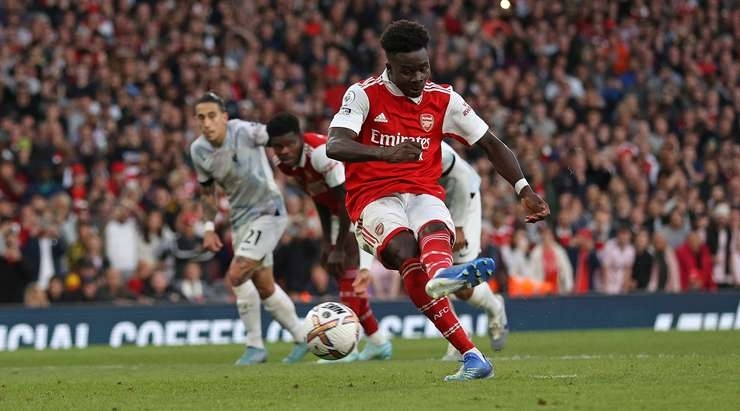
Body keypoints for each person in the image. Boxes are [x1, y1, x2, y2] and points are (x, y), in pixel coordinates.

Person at [325, 20, 550, 381]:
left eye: (423, 68)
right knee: (404, 252)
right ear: (389, 65)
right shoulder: (363, 94)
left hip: (424, 191)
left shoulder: (444, 99)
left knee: (434, 229)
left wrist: (523, 188)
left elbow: (490, 143)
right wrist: (387, 154)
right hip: (373, 197)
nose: (417, 77)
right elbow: (335, 144)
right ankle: (456, 316)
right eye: (407, 70)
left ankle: (469, 345)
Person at [190, 92, 308, 365]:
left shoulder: (245, 131)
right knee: (264, 285)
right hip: (240, 219)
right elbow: (207, 192)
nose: (206, 123)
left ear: (224, 117)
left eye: (212, 116)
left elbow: (279, 138)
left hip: (269, 210)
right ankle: (302, 336)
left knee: (237, 273)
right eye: (201, 118)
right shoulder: (198, 150)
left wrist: (305, 159)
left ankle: (254, 345)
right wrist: (208, 227)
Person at [266, 112, 392, 363]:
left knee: (347, 262)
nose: (284, 150)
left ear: (300, 137)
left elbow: (344, 198)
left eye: (290, 143)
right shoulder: (283, 162)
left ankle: (349, 348)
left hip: (365, 197)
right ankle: (378, 342)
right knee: (342, 273)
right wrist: (327, 242)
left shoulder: (320, 153)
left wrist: (338, 246)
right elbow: (319, 196)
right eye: (278, 146)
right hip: (341, 207)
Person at [437, 141, 509, 360]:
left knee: (462, 288)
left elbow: (461, 178)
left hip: (463, 200)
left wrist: (458, 225)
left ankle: (495, 306)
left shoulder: (432, 148)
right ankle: (458, 336)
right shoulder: (385, 145)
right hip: (432, 205)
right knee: (427, 274)